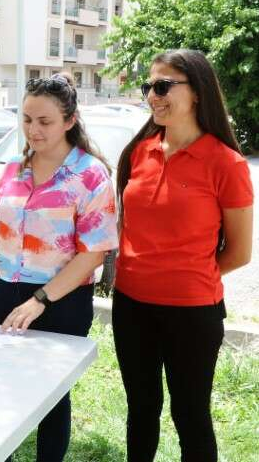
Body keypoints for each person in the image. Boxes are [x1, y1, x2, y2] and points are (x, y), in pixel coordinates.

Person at [113, 49, 253, 462]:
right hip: (130, 305)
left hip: (192, 312)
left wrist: (185, 276)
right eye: (148, 87)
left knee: (190, 414)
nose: (153, 96)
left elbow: (240, 252)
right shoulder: (139, 151)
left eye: (163, 86)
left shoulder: (226, 163)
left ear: (197, 92)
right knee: (141, 410)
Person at [0, 72, 118, 462]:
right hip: (5, 292)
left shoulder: (91, 176)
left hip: (61, 301)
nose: (32, 130)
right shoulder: (12, 171)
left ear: (70, 120)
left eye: (44, 122)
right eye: (26, 119)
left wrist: (40, 299)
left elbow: (94, 252)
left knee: (51, 396)